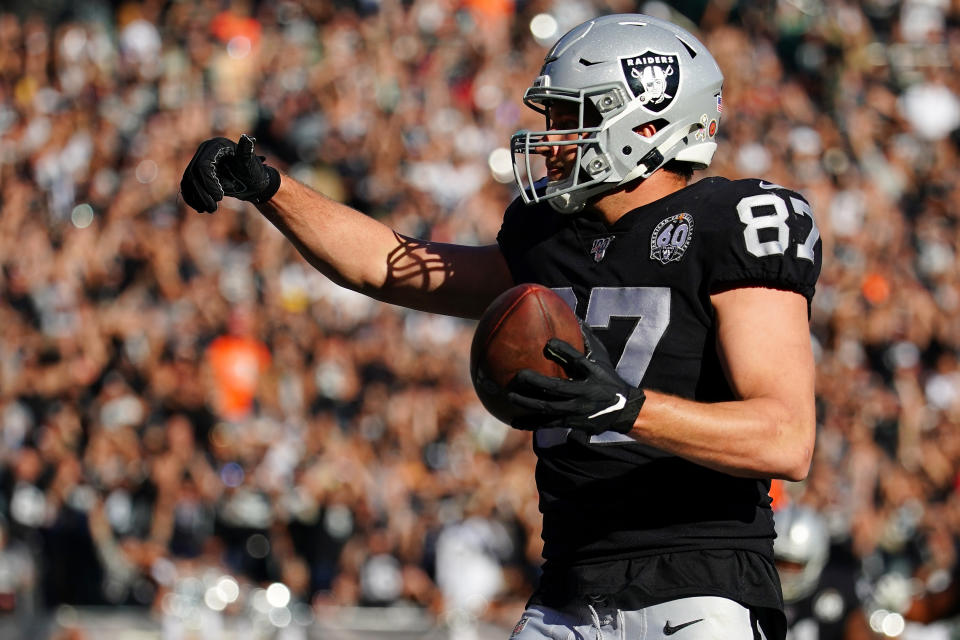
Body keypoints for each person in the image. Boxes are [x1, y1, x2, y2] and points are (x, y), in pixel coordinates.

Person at [181, 13, 821, 640]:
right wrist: (270, 188)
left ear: (648, 124)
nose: (553, 139)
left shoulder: (732, 222)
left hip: (700, 588)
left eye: (574, 118)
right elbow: (389, 266)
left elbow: (785, 438)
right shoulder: (551, 239)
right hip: (570, 587)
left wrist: (626, 407)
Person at [774, 504, 875, 639]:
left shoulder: (835, 587)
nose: (787, 573)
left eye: (795, 565)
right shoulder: (753, 586)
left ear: (816, 560)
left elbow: (857, 628)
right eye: (780, 562)